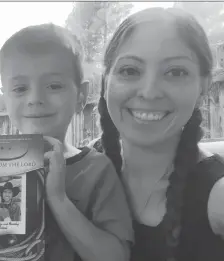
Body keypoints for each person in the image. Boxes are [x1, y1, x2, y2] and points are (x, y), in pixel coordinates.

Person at [0, 23, 133, 261]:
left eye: (54, 86)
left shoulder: (96, 170)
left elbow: (117, 257)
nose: (35, 99)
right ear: (5, 97)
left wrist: (59, 199)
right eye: (20, 88)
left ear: (81, 94)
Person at [92, 7, 224, 261]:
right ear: (105, 81)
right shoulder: (79, 171)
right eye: (130, 70)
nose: (149, 92)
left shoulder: (218, 197)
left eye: (175, 72)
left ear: (204, 85)